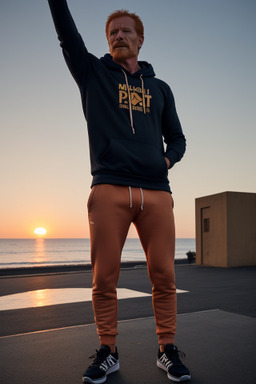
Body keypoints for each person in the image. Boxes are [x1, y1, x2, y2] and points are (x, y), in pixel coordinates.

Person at [48, 1, 191, 382]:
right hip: (109, 187)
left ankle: (167, 349)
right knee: (104, 278)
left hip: (156, 193)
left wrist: (166, 161)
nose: (118, 36)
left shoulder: (159, 89)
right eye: (112, 32)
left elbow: (177, 138)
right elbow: (67, 36)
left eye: (126, 30)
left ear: (140, 40)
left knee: (163, 275)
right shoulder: (93, 74)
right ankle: (108, 351)